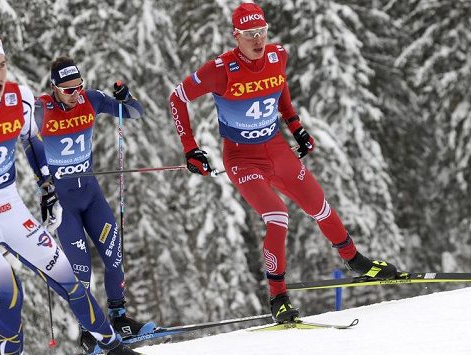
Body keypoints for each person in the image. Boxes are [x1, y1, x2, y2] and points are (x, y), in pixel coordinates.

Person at [168, 2, 399, 323]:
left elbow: (279, 87)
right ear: (236, 36)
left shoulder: (277, 56)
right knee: (278, 217)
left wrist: (295, 125)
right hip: (242, 158)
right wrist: (190, 148)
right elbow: (177, 97)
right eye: (249, 34)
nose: (258, 40)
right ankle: (278, 297)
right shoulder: (219, 69)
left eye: (261, 32)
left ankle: (357, 261)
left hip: (277, 149)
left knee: (320, 206)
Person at [0, 32, 140, 354]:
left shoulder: (20, 98)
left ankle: (114, 345)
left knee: (72, 280)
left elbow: (30, 140)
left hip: (10, 206)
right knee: (11, 293)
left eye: (2, 65)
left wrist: (46, 185)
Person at [26, 56, 154, 350]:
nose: (76, 95)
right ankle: (88, 331)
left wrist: (126, 98)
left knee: (114, 256)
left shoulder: (92, 99)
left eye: (79, 87)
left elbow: (134, 113)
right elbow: (23, 138)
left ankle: (119, 316)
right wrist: (42, 181)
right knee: (81, 272)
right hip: (64, 205)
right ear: (54, 88)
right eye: (69, 90)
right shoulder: (41, 109)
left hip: (91, 196)